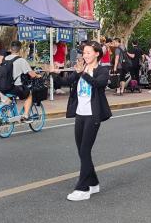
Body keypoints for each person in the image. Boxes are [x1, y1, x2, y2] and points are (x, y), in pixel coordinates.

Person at [50, 41, 112, 201]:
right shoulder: (81, 69)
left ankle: (83, 189)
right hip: (80, 113)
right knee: (81, 151)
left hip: (93, 114)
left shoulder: (102, 70)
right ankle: (93, 183)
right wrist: (54, 74)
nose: (85, 55)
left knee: (85, 150)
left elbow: (99, 84)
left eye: (88, 52)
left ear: (97, 53)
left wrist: (83, 74)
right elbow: (65, 82)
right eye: (84, 53)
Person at [0, 41, 41, 122]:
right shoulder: (21, 60)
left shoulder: (4, 59)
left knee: (9, 99)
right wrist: (38, 75)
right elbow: (31, 74)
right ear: (20, 50)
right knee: (29, 95)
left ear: (10, 49)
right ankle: (26, 116)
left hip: (2, 86)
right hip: (15, 87)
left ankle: (1, 115)